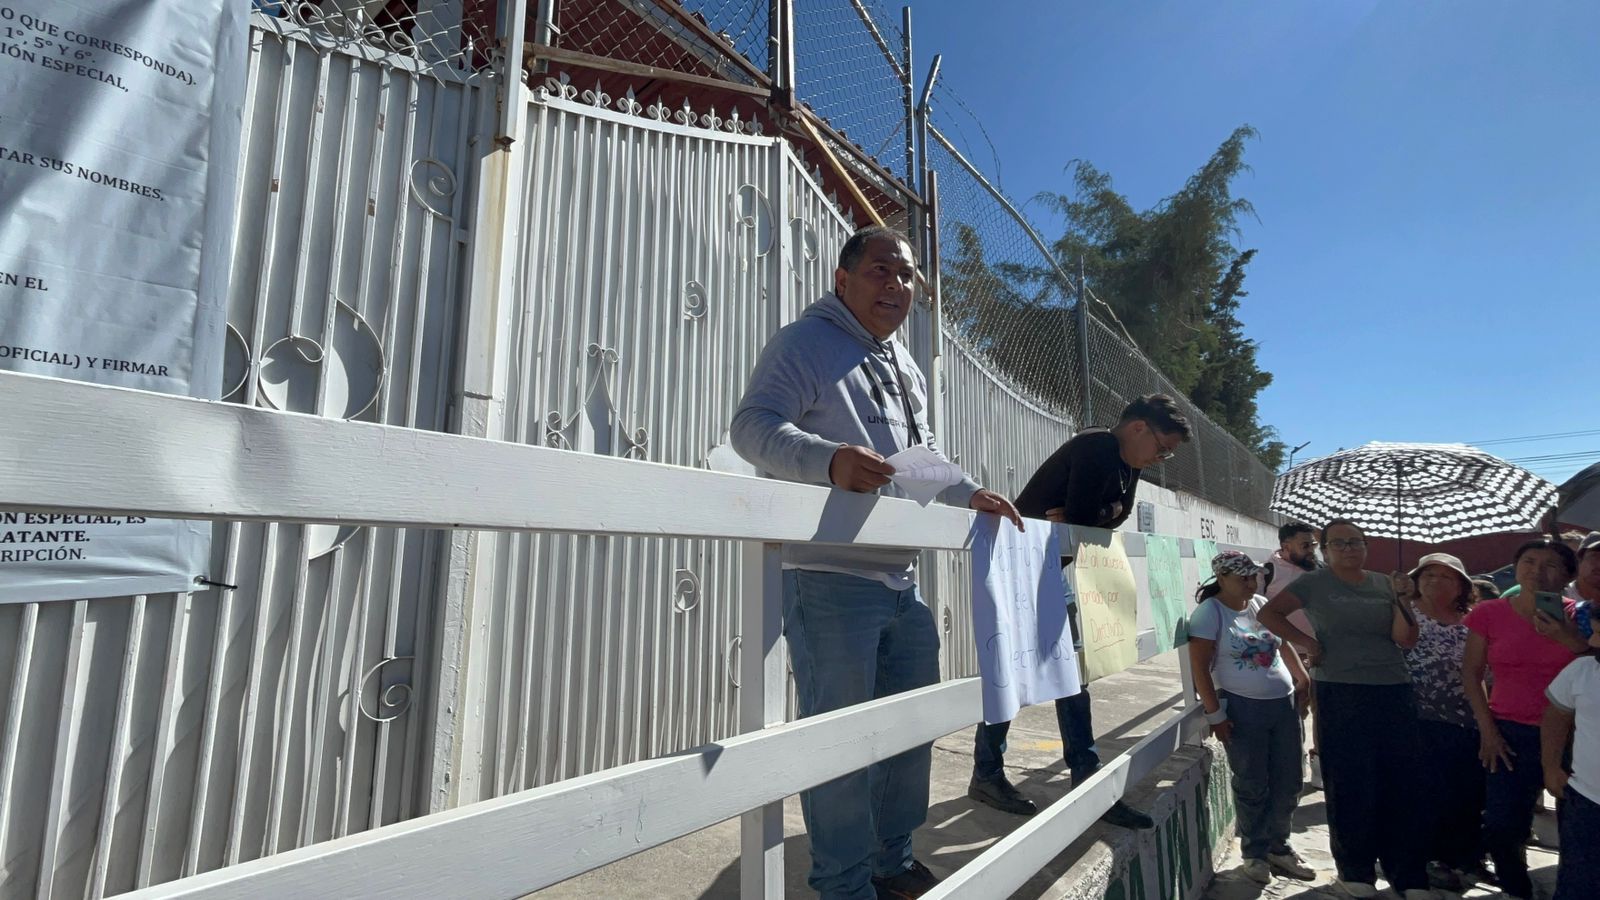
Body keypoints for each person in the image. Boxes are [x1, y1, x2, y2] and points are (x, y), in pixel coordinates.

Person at [730, 225, 1021, 900]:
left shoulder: (903, 363)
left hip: (901, 579)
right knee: (840, 748)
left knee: (908, 735)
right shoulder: (806, 342)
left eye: (908, 275)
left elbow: (917, 464)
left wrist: (966, 491)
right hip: (830, 578)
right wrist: (825, 460)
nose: (897, 285)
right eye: (881, 271)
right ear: (843, 279)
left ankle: (892, 861)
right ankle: (843, 883)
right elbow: (752, 426)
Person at [966, 393, 1192, 829]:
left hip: (1052, 572)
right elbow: (1086, 519)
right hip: (1022, 572)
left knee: (1071, 676)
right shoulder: (1098, 446)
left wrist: (1098, 513)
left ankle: (1076, 778)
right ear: (1138, 427)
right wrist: (1093, 515)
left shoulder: (1129, 463)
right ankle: (996, 773)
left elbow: (1110, 516)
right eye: (1163, 447)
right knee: (1017, 675)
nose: (1162, 457)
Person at [1258, 519, 1431, 900]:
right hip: (1339, 690)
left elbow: (1406, 640)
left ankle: (1408, 875)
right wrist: (1307, 643)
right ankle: (1356, 873)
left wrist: (1403, 599)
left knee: (1401, 783)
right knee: (1350, 783)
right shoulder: (1313, 583)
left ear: (1366, 547)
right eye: (1339, 543)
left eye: (1356, 542)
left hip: (1392, 689)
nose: (1349, 549)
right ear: (1326, 548)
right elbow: (1268, 615)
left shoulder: (1386, 583)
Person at [1461, 537, 1587, 900]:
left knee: (1576, 826)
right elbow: (1472, 673)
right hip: (1508, 731)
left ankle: (1572, 888)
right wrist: (1488, 731)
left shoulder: (1579, 615)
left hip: (1573, 735)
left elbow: (1590, 662)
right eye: (1529, 561)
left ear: (1565, 575)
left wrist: (1563, 634)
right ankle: (1516, 887)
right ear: (1516, 568)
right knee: (1502, 825)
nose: (1537, 571)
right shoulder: (1489, 613)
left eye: (1550, 565)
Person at [1188, 550, 1314, 884]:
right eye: (1242, 577)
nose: (1250, 582)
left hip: (1283, 705)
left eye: (1253, 576)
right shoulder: (1209, 613)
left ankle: (1279, 845)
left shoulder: (1260, 604)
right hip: (1245, 708)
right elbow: (1199, 665)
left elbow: (1282, 644)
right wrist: (1215, 714)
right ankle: (1255, 852)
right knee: (1252, 781)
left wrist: (1302, 677)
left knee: (1289, 780)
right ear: (1222, 578)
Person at [1402, 552, 1487, 892]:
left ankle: (1463, 857)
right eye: (1429, 575)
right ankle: (1428, 858)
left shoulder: (1473, 619)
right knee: (1426, 791)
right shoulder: (1406, 614)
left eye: (1447, 577)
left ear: (1462, 586)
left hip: (1466, 717)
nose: (1437, 582)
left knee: (1465, 791)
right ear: (1417, 580)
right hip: (1417, 717)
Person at [1262, 522, 1324, 787]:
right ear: (1286, 547)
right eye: (1305, 545)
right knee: (1290, 714)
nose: (1312, 551)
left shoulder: (1322, 571)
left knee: (1322, 714)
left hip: (1321, 655)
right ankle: (1288, 765)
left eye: (1314, 545)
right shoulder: (1267, 573)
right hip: (1284, 656)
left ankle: (1319, 765)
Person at [1542, 628, 1600, 900]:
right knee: (1577, 884)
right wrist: (1551, 767)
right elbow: (1556, 716)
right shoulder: (1583, 671)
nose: (1592, 641)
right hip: (1586, 801)